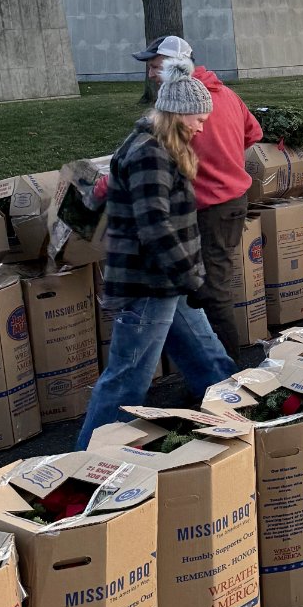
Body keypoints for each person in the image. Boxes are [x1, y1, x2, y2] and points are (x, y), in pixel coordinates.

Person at [77, 60, 236, 447]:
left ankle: (236, 418)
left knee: (208, 358)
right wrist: (192, 279)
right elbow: (156, 229)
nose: (202, 127)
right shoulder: (151, 154)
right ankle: (83, 459)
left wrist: (186, 279)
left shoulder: (159, 146)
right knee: (127, 377)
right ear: (178, 115)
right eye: (199, 119)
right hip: (150, 283)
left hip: (167, 281)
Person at [134, 34, 263, 359]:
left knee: (211, 292)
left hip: (212, 210)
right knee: (202, 289)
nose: (150, 73)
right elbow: (254, 133)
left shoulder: (185, 109)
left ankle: (228, 381)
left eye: (155, 65)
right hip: (229, 203)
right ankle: (209, 376)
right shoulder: (227, 94)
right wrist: (227, 161)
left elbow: (160, 155)